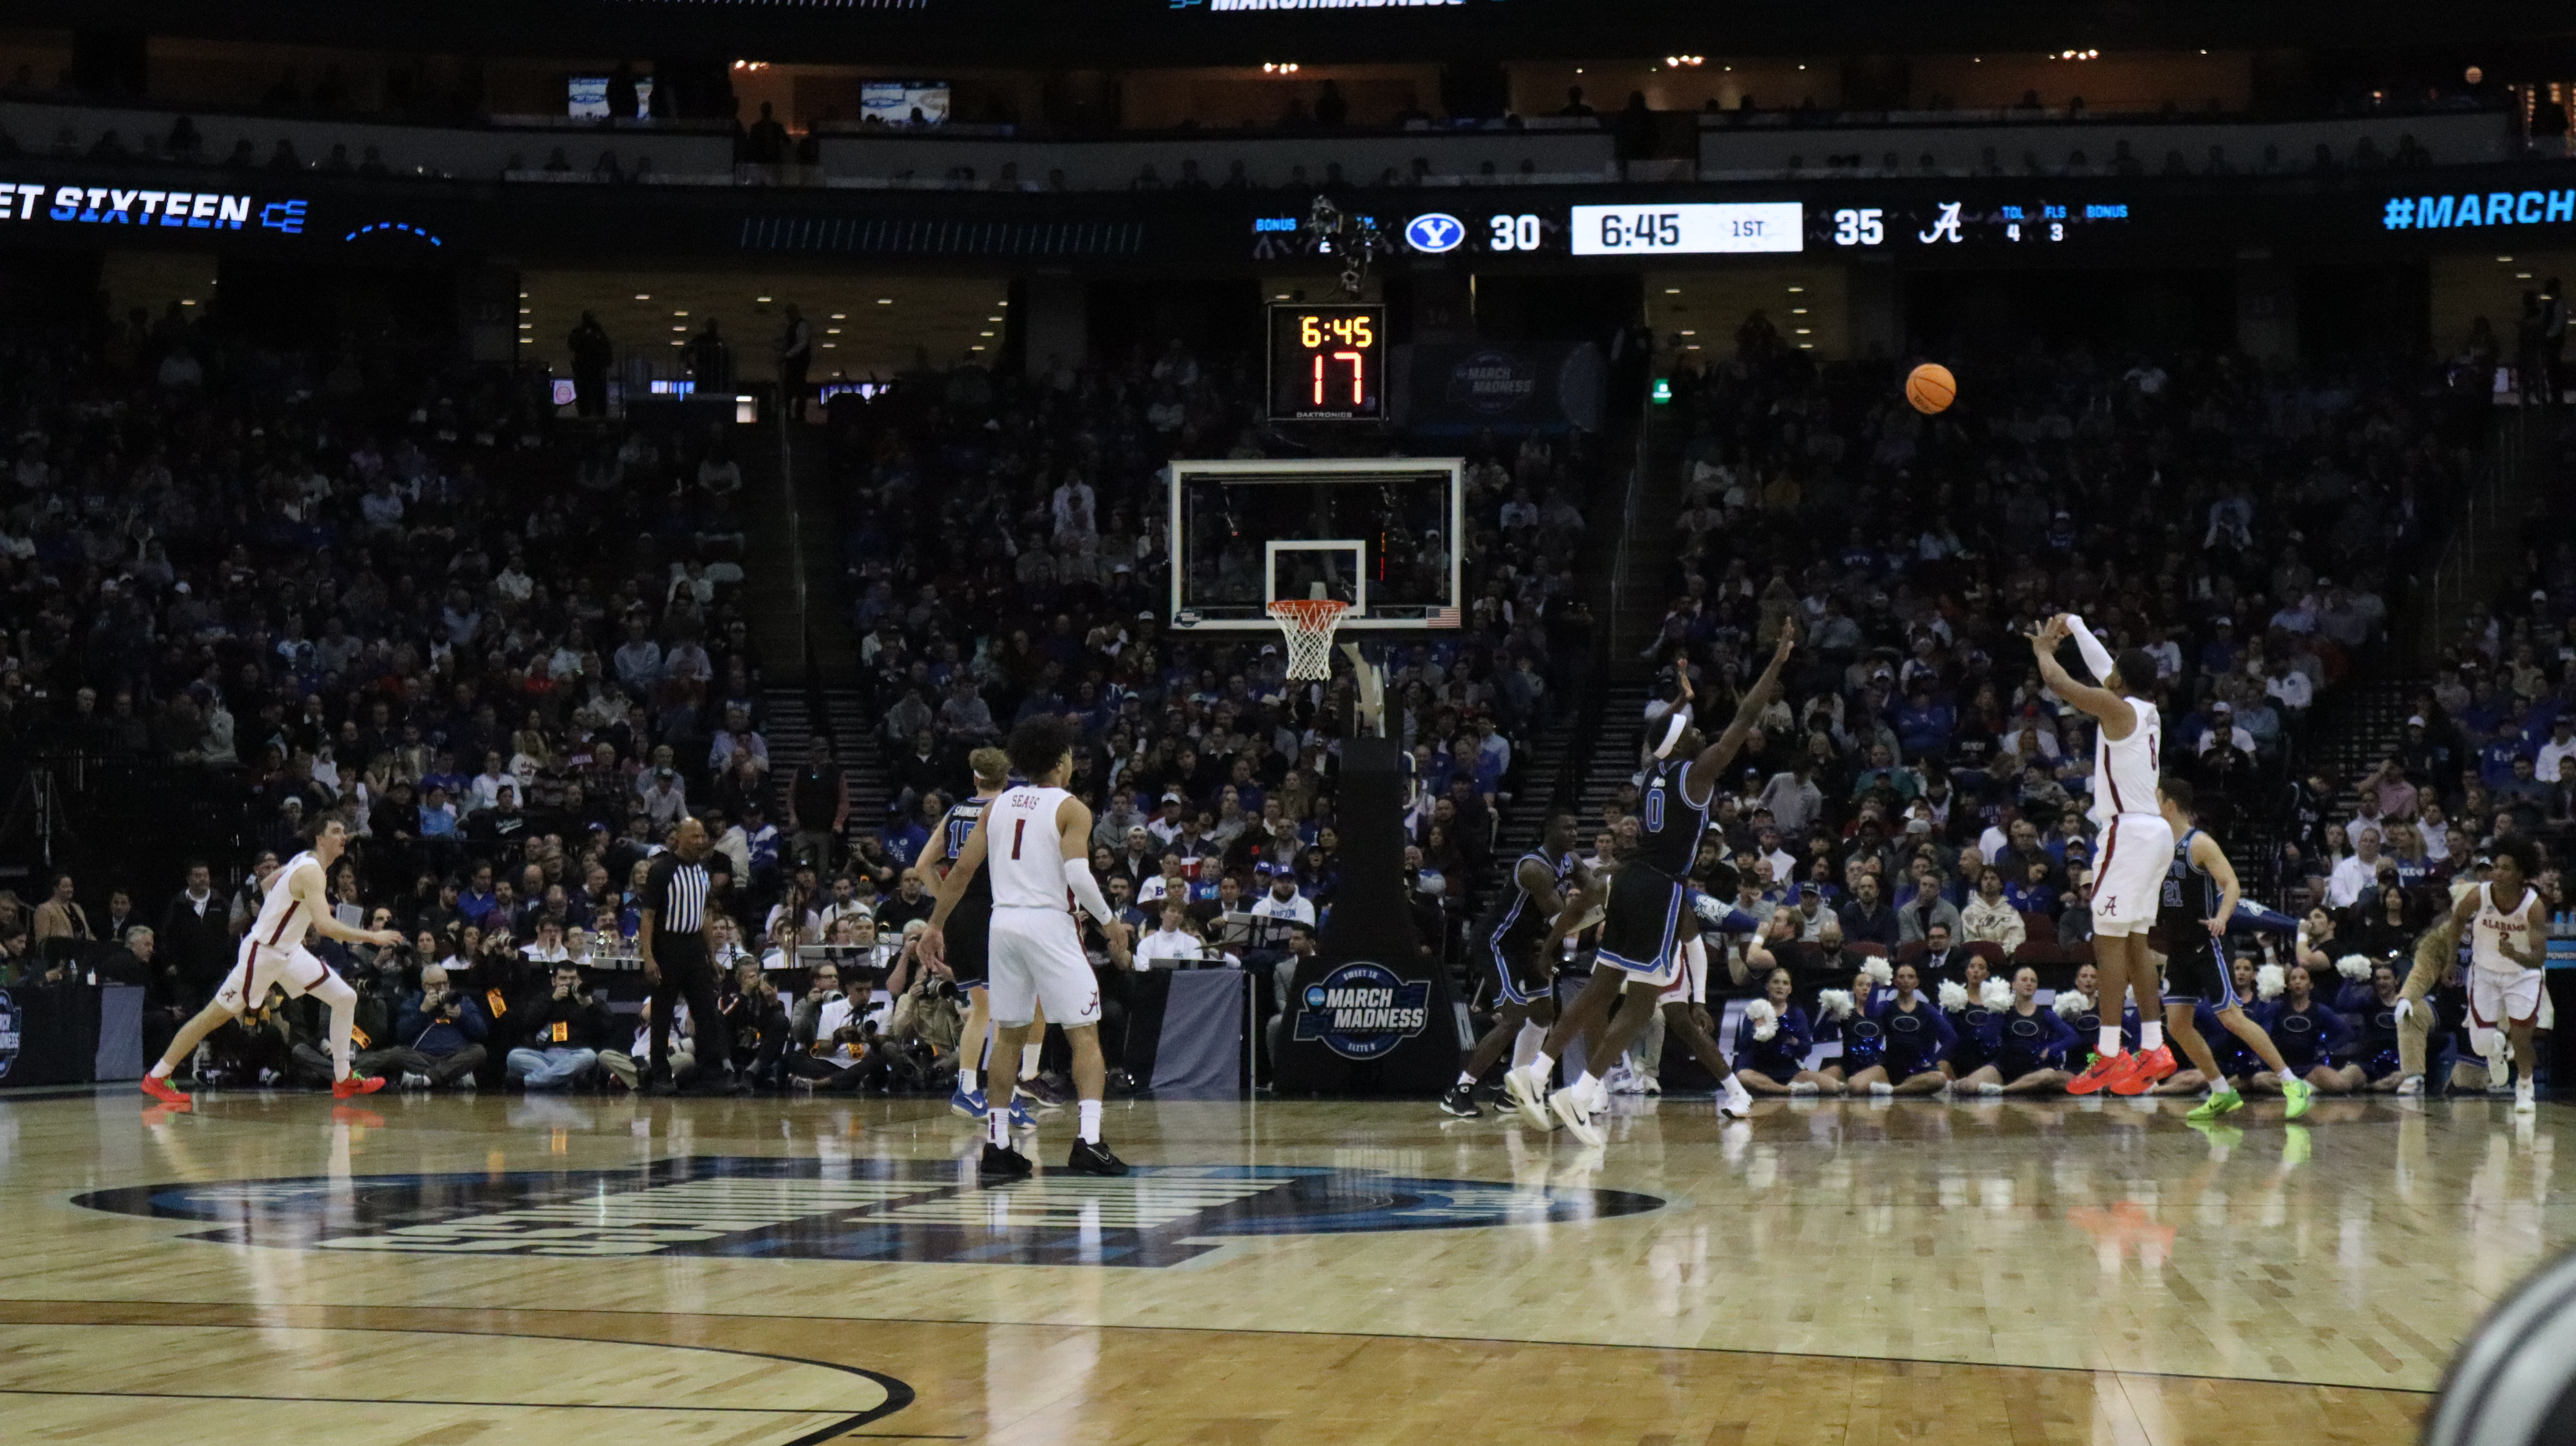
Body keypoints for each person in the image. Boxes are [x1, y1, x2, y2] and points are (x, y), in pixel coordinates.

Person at [1505, 623, 1795, 1142]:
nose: (1697, 728)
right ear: (1681, 742)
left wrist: (1682, 696)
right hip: (1661, 888)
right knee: (1642, 999)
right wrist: (1776, 663)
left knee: (1600, 988)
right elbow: (1745, 717)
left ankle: (1538, 1071)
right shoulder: (1698, 772)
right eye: (1689, 725)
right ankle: (1583, 1087)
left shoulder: (1653, 770)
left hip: (1633, 879)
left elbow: (1661, 732)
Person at [923, 716, 1134, 1179]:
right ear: (1063, 761)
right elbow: (1079, 876)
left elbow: (958, 874)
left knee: (1010, 1033)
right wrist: (1111, 924)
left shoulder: (995, 807)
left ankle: (997, 1147)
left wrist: (934, 926)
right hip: (1047, 924)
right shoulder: (1071, 807)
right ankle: (1090, 1142)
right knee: (1085, 1032)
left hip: (1004, 926)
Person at [141, 816, 402, 1105]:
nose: (344, 836)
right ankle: (157, 1076)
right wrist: (373, 937)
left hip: (289, 952)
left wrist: (287, 919)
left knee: (345, 998)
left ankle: (344, 1079)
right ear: (320, 838)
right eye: (336, 832)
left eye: (344, 831)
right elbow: (326, 927)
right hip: (263, 954)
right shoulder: (311, 871)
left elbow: (267, 884)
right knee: (212, 1018)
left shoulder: (305, 859)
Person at [2028, 614, 2175, 1095]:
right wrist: (2076, 622)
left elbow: (2061, 682)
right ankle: (2154, 1046)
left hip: (2128, 833)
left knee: (2107, 942)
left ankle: (2110, 1055)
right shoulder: (2144, 709)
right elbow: (2102, 665)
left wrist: (2044, 649)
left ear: (2118, 681)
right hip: (2154, 833)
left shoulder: (2115, 708)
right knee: (2135, 942)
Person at [2143, 778, 2312, 1120]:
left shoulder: (2199, 843)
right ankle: (2222, 1091)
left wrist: (2222, 917)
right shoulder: (2158, 846)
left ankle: (2292, 1082)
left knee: (2231, 1018)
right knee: (2176, 1025)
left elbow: (2231, 883)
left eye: (2156, 799)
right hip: (2179, 947)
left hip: (2207, 943)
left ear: (2170, 805)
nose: (2151, 805)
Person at [918, 746, 1053, 1127]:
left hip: (959, 915)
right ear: (1007, 778)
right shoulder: (1006, 812)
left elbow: (923, 865)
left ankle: (968, 1088)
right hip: (994, 916)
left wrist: (945, 902)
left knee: (984, 1009)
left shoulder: (956, 811)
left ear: (975, 777)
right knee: (1009, 1012)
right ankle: (1002, 1093)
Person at [1443, 811, 1588, 1117]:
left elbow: (1593, 892)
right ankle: (1460, 1090)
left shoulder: (1571, 860)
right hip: (1496, 942)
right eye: (1567, 828)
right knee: (1514, 1017)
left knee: (1543, 1014)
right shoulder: (1535, 869)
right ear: (1550, 831)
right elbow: (1564, 921)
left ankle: (1514, 1093)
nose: (1574, 833)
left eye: (1576, 828)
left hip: (1524, 945)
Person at [2448, 836, 2544, 1112]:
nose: (2497, 873)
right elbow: (2456, 922)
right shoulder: (2480, 894)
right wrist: (2450, 961)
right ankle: (2495, 1048)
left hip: (2522, 976)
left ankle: (2525, 1087)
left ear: (2521, 874)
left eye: (2505, 868)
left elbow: (2539, 958)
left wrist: (2515, 954)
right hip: (2485, 974)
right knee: (2480, 1047)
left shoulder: (2533, 906)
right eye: (2496, 867)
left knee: (2523, 1038)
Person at [641, 816, 725, 1094]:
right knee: (663, 1013)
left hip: (694, 946)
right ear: (679, 838)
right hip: (668, 945)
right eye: (694, 836)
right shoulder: (662, 870)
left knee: (706, 1012)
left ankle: (712, 1074)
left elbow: (706, 915)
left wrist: (712, 956)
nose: (700, 841)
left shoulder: (703, 869)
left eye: (702, 836)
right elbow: (648, 917)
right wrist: (649, 957)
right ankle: (660, 1076)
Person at [1956, 966, 2077, 1094]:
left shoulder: (2046, 1014)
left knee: (2049, 1076)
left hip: (2034, 1070)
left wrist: (2051, 1049)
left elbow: (2073, 1037)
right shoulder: (2004, 1010)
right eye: (2024, 980)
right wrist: (1996, 1012)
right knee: (1967, 1085)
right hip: (2003, 1067)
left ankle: (2003, 1090)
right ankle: (2009, 1088)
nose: (2029, 983)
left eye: (2033, 981)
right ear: (2013, 985)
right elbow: (1987, 1038)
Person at [1845, 961, 1954, 1095]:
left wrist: (1932, 1061)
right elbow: (1870, 1013)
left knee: (1940, 1079)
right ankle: (1904, 1088)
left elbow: (1951, 1038)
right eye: (1902, 977)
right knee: (1854, 1085)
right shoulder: (1887, 1006)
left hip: (1917, 1071)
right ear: (1895, 982)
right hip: (1889, 1068)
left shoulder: (1927, 1009)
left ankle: (1893, 1091)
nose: (1906, 981)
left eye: (1911, 977)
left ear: (1917, 982)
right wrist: (1876, 984)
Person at [2248, 963, 2353, 1097]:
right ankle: (2304, 1089)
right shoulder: (2278, 1006)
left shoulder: (2320, 1010)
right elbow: (2256, 1023)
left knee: (2341, 1085)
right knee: (2260, 1080)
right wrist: (2263, 998)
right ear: (2289, 985)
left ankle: (2298, 1088)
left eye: (2303, 978)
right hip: (2281, 1068)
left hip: (2309, 1066)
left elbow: (2347, 1033)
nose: (2298, 982)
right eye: (2293, 979)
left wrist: (2327, 1048)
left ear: (2311, 985)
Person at [1730, 964, 1832, 1095]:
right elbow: (1743, 1046)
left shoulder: (1797, 1013)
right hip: (1758, 1072)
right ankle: (1789, 1090)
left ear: (1790, 989)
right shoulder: (1756, 1010)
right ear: (1768, 987)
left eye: (1785, 983)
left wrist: (1794, 1042)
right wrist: (1756, 1030)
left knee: (1833, 1086)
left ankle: (1780, 1088)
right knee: (1743, 1077)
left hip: (1789, 1072)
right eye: (1776, 982)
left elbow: (1807, 1048)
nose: (1780, 986)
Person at [507, 961, 611, 1089]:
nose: (568, 982)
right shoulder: (547, 998)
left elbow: (608, 1029)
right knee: (514, 1057)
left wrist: (591, 1007)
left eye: (573, 978)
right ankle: (564, 1081)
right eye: (563, 978)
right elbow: (527, 1022)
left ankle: (527, 1082)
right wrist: (553, 1000)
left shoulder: (589, 999)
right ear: (554, 981)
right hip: (546, 1056)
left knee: (589, 1055)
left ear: (579, 980)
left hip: (576, 1055)